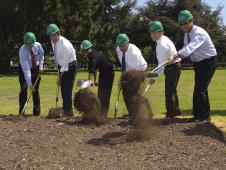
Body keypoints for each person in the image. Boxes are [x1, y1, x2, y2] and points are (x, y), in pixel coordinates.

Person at [169, 10, 217, 122]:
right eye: (181, 24)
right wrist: (177, 56)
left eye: (185, 23)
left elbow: (190, 48)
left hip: (208, 62)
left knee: (200, 89)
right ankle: (201, 116)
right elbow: (186, 46)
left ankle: (202, 116)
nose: (183, 26)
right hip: (199, 63)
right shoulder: (187, 33)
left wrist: (176, 55)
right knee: (201, 89)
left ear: (191, 21)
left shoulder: (199, 33)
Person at [149, 20, 182, 119]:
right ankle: (176, 111)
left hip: (172, 67)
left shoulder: (161, 45)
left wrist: (154, 77)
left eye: (155, 33)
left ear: (161, 32)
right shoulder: (162, 40)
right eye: (151, 33)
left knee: (169, 92)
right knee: (172, 90)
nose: (153, 35)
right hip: (175, 66)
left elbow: (161, 65)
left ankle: (170, 114)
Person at [47, 23, 77, 116]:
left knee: (66, 90)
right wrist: (58, 67)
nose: (52, 38)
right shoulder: (53, 41)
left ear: (58, 34)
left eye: (53, 36)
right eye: (50, 36)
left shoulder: (65, 45)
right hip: (62, 65)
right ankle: (66, 111)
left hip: (70, 65)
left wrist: (59, 78)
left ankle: (68, 113)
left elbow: (65, 64)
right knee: (63, 90)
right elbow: (58, 57)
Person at [80, 40, 114, 118]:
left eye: (85, 50)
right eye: (83, 51)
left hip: (108, 75)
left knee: (104, 94)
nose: (84, 53)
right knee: (100, 94)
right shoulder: (92, 56)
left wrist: (86, 85)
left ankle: (103, 115)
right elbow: (95, 70)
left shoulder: (93, 58)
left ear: (89, 49)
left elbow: (91, 72)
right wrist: (95, 81)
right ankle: (100, 113)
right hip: (103, 73)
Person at [115, 33, 147, 115]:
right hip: (128, 72)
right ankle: (132, 113)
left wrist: (124, 82)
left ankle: (137, 112)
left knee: (132, 91)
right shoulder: (118, 49)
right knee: (125, 92)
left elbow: (133, 73)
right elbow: (123, 67)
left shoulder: (134, 53)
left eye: (123, 46)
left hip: (139, 71)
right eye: (119, 46)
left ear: (128, 43)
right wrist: (121, 81)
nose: (121, 48)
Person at [19, 32, 44, 116]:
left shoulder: (38, 45)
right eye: (28, 44)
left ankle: (36, 113)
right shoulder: (22, 50)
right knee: (24, 89)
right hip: (24, 70)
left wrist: (40, 67)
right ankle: (22, 112)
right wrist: (30, 84)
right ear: (25, 43)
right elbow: (26, 70)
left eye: (31, 44)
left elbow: (41, 56)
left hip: (35, 68)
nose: (30, 46)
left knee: (35, 90)